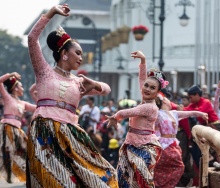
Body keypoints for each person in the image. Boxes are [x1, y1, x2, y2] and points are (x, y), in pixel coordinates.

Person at [26, 4, 117, 187]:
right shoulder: (44, 72)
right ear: (64, 54)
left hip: (71, 135)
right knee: (52, 181)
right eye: (78, 53)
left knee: (104, 176)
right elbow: (32, 38)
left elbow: (107, 89)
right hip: (45, 132)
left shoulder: (79, 82)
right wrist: (51, 13)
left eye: (82, 54)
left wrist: (96, 84)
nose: (81, 57)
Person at [106, 50, 165, 188]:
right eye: (146, 86)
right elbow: (141, 79)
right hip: (130, 144)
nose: (147, 89)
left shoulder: (150, 107)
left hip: (144, 148)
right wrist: (143, 61)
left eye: (152, 88)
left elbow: (130, 112)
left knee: (141, 181)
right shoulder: (145, 99)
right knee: (122, 178)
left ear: (157, 93)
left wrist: (116, 116)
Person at [0, 72, 36, 188]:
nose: (23, 88)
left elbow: (37, 109)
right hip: (7, 130)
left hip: (18, 132)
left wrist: (40, 98)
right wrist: (10, 74)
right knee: (1, 157)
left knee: (29, 154)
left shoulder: (23, 103)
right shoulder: (7, 97)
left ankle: (28, 180)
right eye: (21, 86)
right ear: (15, 88)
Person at [154, 92, 208, 188]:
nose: (170, 101)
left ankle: (163, 185)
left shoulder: (174, 113)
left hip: (173, 144)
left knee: (178, 167)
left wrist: (201, 114)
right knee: (174, 166)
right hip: (163, 144)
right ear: (164, 103)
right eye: (166, 99)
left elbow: (190, 113)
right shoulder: (158, 114)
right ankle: (160, 184)